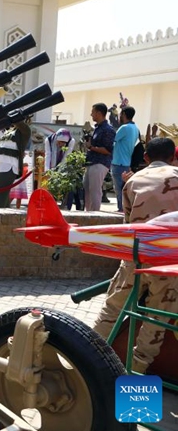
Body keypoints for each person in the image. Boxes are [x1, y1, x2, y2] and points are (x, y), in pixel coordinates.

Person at [93, 138, 178, 374]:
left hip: (136, 255)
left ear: (146, 158)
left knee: (112, 308)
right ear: (173, 157)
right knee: (155, 320)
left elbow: (128, 224)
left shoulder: (133, 181)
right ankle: (136, 373)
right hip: (168, 262)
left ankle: (88, 358)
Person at [82, 103, 115, 211]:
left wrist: (91, 147)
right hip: (92, 162)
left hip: (100, 163)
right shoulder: (98, 128)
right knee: (87, 189)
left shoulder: (107, 129)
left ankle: (94, 214)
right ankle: (88, 214)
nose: (91, 114)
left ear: (99, 113)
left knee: (95, 190)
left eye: (93, 112)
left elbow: (108, 150)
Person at [0, 121, 30, 208]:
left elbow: (17, 122)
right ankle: (3, 215)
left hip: (9, 165)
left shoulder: (25, 131)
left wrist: (7, 117)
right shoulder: (8, 131)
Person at [44, 128, 82, 210]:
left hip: (65, 168)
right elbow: (48, 155)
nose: (60, 144)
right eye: (59, 142)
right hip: (52, 166)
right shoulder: (49, 140)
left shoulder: (71, 141)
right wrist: (47, 170)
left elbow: (66, 157)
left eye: (63, 143)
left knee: (67, 188)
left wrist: (60, 172)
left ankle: (66, 206)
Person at [110, 106, 138, 212]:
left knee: (118, 189)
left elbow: (113, 140)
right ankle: (124, 208)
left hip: (118, 162)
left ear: (124, 115)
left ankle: (121, 209)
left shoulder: (124, 128)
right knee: (124, 188)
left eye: (121, 114)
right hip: (126, 162)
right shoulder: (135, 128)